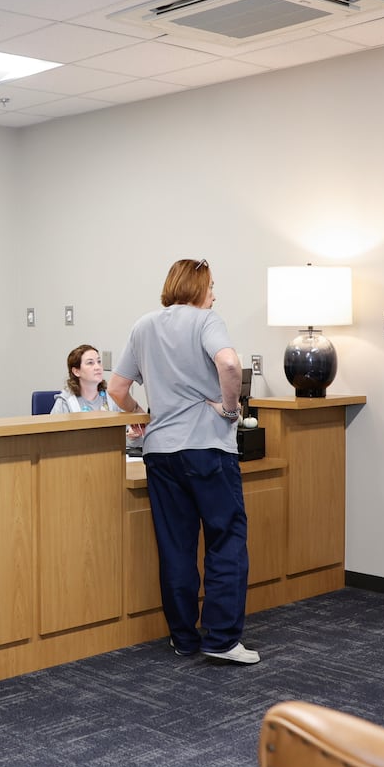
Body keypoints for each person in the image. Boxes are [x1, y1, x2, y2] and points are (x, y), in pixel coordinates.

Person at [109, 258, 256, 665]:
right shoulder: (207, 321)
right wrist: (230, 410)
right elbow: (228, 363)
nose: (214, 294)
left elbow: (117, 388)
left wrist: (142, 416)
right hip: (208, 449)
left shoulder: (144, 325)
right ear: (197, 288)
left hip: (161, 453)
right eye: (211, 287)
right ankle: (222, 639)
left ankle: (184, 638)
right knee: (225, 542)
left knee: (176, 547)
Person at [50, 344, 123, 414]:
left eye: (99, 361)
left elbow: (125, 425)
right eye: (90, 363)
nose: (98, 367)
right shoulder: (65, 402)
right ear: (76, 371)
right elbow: (52, 426)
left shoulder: (111, 398)